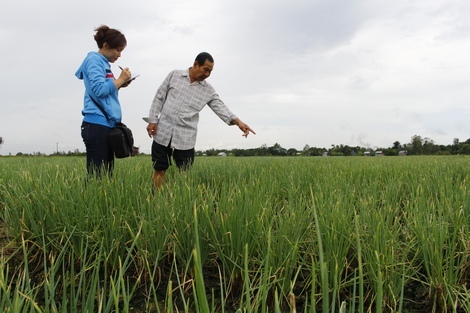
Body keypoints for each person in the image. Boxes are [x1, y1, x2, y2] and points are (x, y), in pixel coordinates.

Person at [145, 52, 255, 189]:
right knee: (159, 167)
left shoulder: (207, 90)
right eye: (206, 69)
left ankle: (181, 199)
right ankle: (156, 198)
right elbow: (159, 97)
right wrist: (153, 120)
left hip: (185, 136)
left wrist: (239, 123)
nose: (208, 74)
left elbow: (220, 107)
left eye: (210, 71)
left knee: (184, 171)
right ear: (196, 64)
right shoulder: (175, 75)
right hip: (164, 130)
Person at [76, 25, 133, 177]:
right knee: (97, 176)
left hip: (105, 124)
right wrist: (120, 79)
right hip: (96, 125)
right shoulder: (94, 60)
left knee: (106, 175)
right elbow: (100, 90)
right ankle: (91, 201)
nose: (119, 55)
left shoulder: (103, 63)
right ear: (106, 46)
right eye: (118, 50)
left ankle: (99, 201)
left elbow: (106, 92)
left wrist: (121, 83)